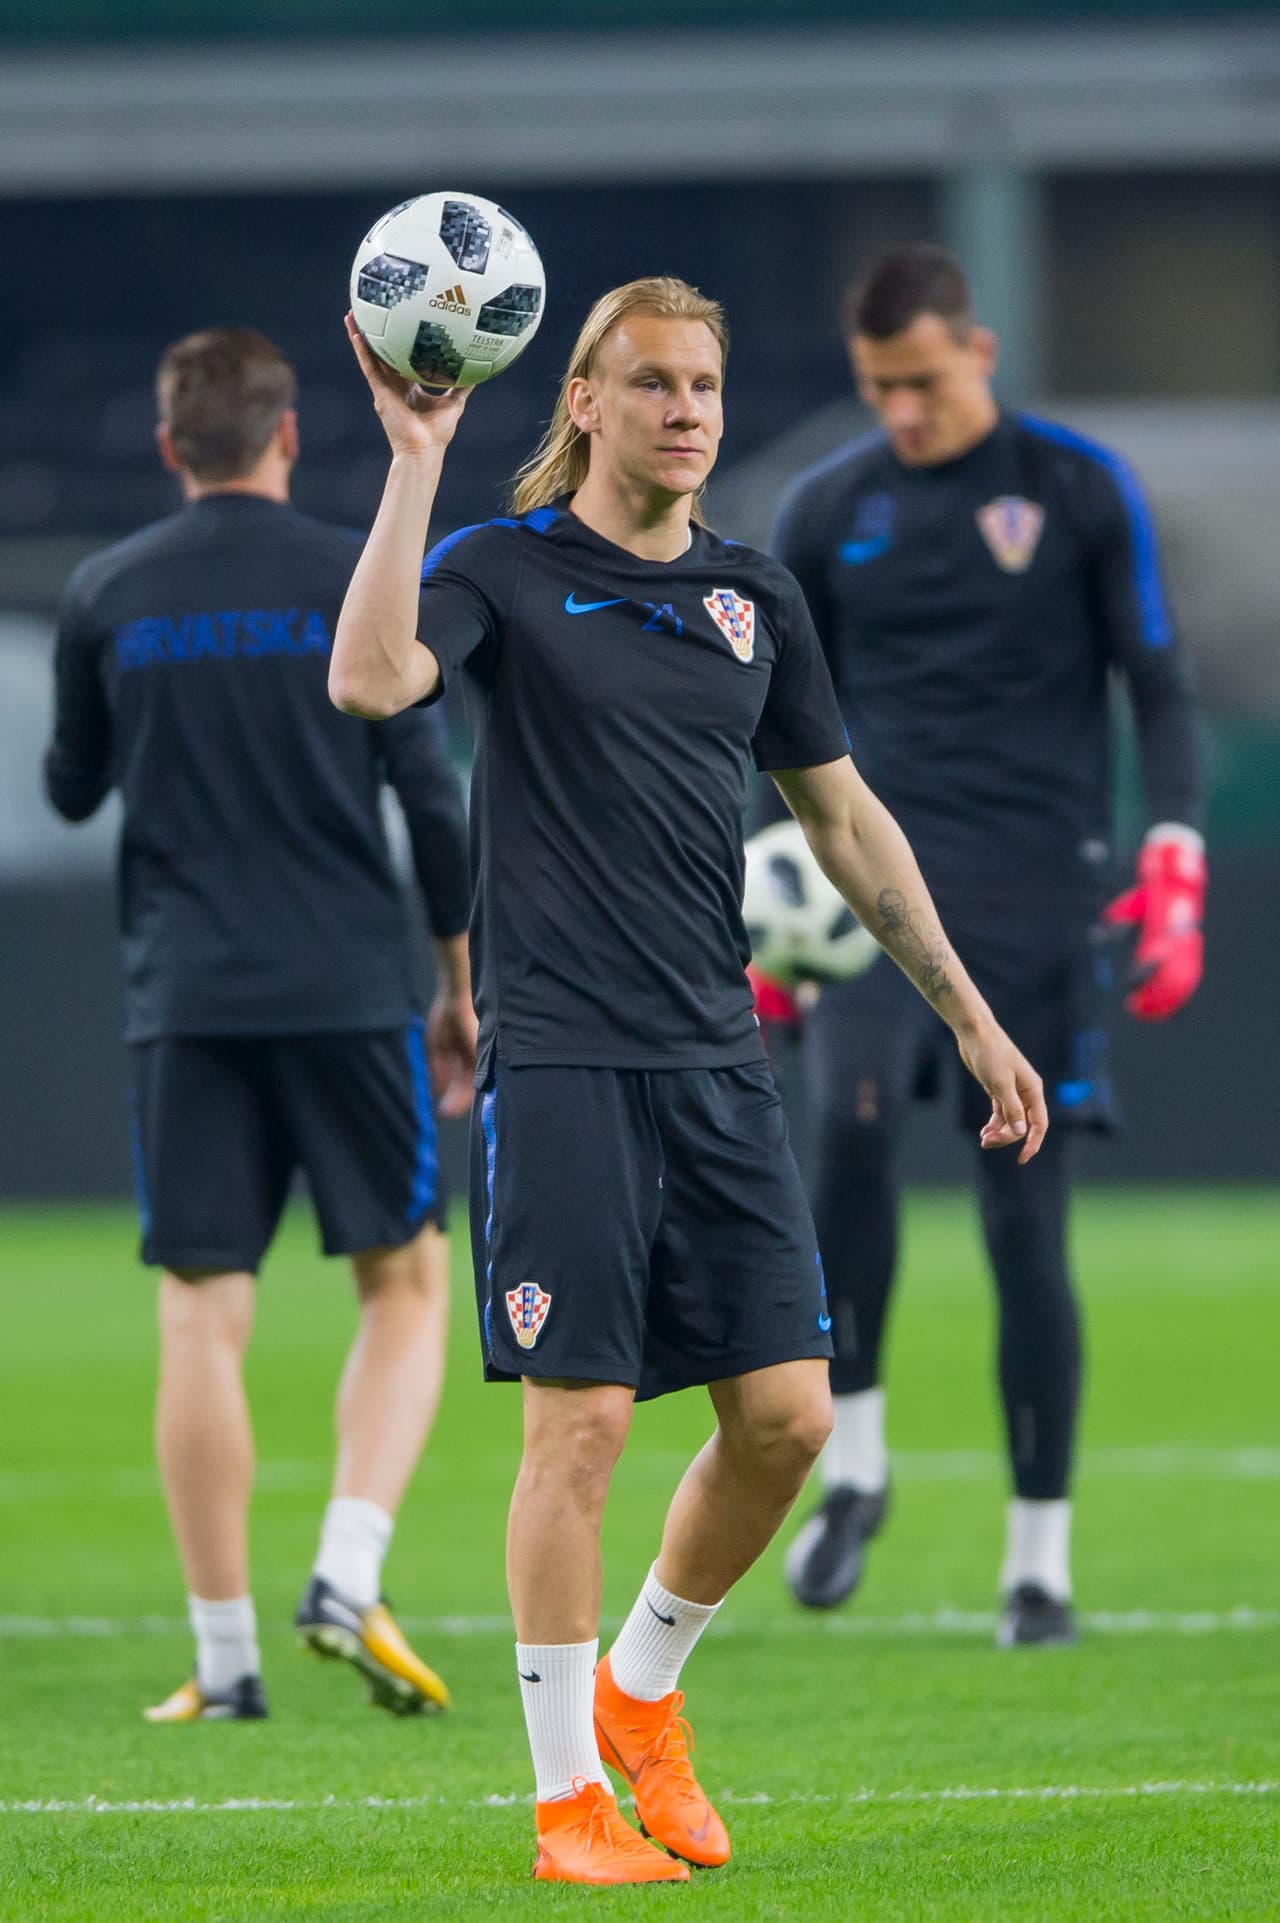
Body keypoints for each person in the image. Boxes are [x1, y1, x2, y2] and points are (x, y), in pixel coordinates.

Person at [330, 274, 1047, 1882]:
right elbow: (372, 683)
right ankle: (567, 1800)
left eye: (706, 386)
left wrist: (970, 1013)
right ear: (581, 398)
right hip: (565, 1060)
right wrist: (410, 457)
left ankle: (646, 1696)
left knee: (790, 1421)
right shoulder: (499, 572)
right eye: (652, 384)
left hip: (718, 1062)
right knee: (577, 1429)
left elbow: (848, 826)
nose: (688, 413)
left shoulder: (756, 597)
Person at [770, 245, 1205, 1642]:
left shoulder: (1075, 489)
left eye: (920, 380)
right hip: (869, 897)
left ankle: (1039, 1562)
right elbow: (768, 722)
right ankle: (858, 1465)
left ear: (981, 350)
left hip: (1037, 893)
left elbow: (1158, 679)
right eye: (876, 387)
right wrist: (767, 902)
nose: (900, 411)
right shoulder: (827, 509)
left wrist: (1175, 850)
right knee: (841, 1136)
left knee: (1026, 1223)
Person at [44, 327, 478, 1722]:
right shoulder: (356, 581)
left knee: (198, 1316)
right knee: (405, 1284)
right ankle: (347, 1570)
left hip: (188, 996)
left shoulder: (108, 595)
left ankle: (225, 1661)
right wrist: (459, 981)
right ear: (289, 438)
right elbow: (433, 801)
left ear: (173, 449)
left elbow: (66, 789)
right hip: (351, 991)